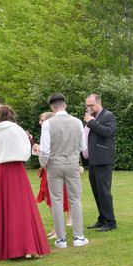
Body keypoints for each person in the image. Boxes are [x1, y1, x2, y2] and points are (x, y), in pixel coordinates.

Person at [0, 105, 50, 260]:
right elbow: (26, 150)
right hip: (17, 170)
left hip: (0, 170)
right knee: (22, 207)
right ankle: (29, 247)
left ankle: (10, 247)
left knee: (5, 207)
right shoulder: (17, 129)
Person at [37, 93, 88, 249]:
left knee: (57, 200)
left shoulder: (48, 124)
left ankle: (61, 240)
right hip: (72, 163)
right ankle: (78, 237)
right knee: (75, 199)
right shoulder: (77, 122)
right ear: (65, 104)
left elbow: (45, 150)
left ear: (52, 106)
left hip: (54, 164)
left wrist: (44, 164)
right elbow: (83, 147)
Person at [33, 112, 71, 239]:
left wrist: (40, 150)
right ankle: (56, 228)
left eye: (42, 119)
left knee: (53, 199)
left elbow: (51, 153)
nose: (40, 122)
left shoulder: (52, 133)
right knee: (49, 200)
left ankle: (60, 230)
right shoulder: (48, 133)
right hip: (47, 169)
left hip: (52, 169)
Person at [83, 93, 117, 232]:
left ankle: (110, 222)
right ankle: (102, 218)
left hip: (103, 160)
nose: (89, 108)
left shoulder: (108, 116)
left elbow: (107, 132)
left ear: (99, 102)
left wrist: (91, 122)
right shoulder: (91, 117)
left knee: (104, 191)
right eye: (87, 105)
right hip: (93, 160)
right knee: (96, 191)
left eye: (91, 105)